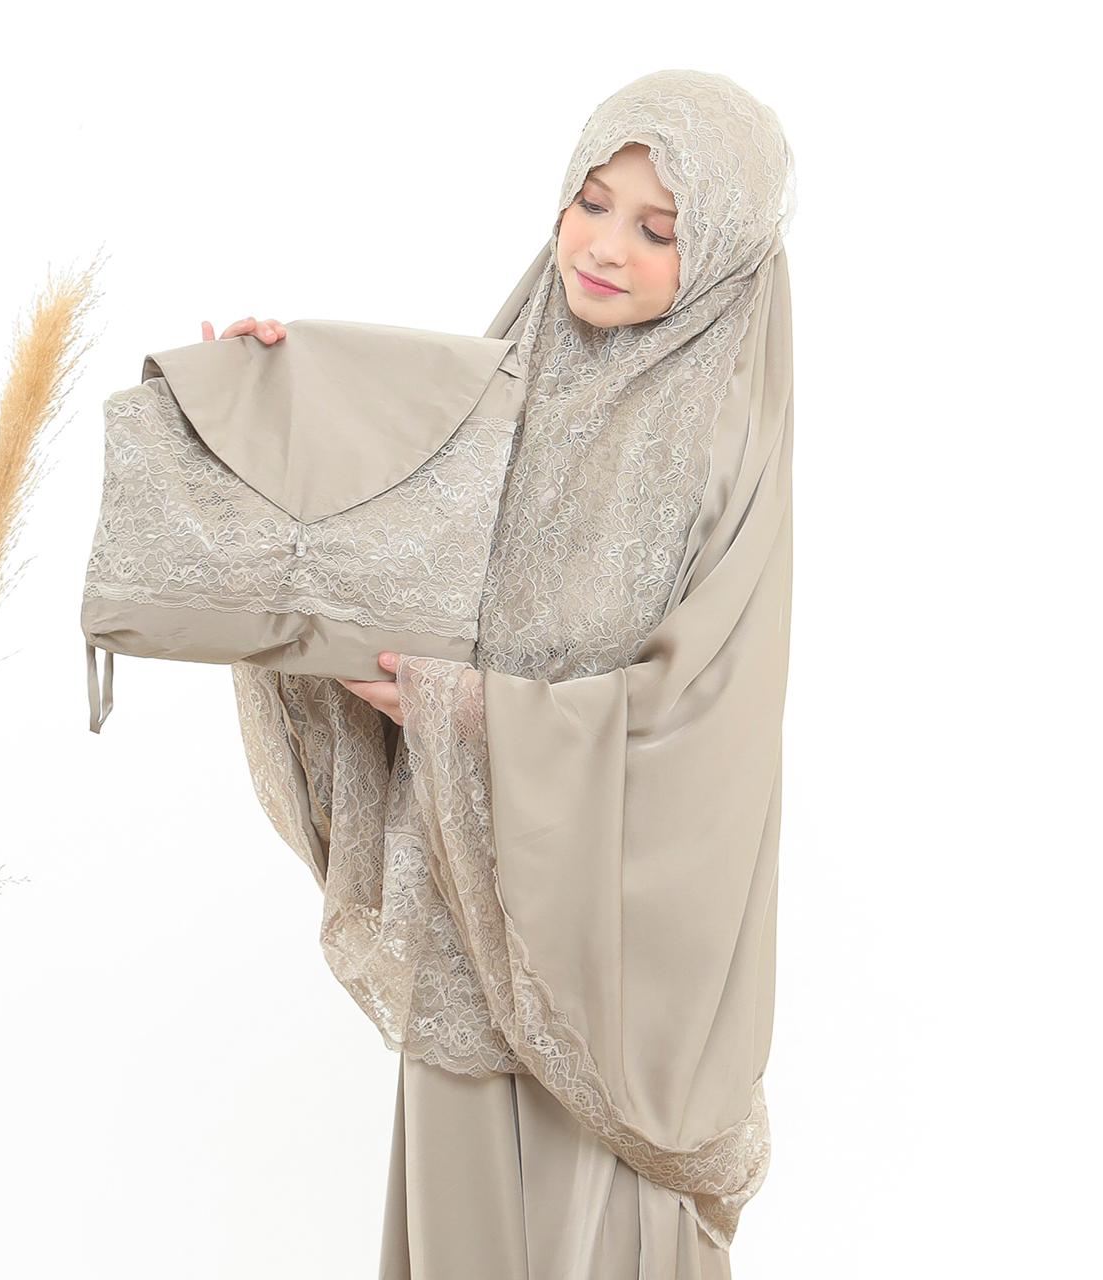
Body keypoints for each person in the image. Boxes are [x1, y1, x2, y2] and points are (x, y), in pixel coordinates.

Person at [215, 68, 796, 1279]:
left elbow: (698, 721)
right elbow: (368, 554)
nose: (604, 246)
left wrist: (474, 708)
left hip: (605, 969)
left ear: (726, 252)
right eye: (590, 202)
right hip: (460, 926)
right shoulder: (492, 388)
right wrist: (262, 416)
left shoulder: (720, 444)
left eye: (659, 228)